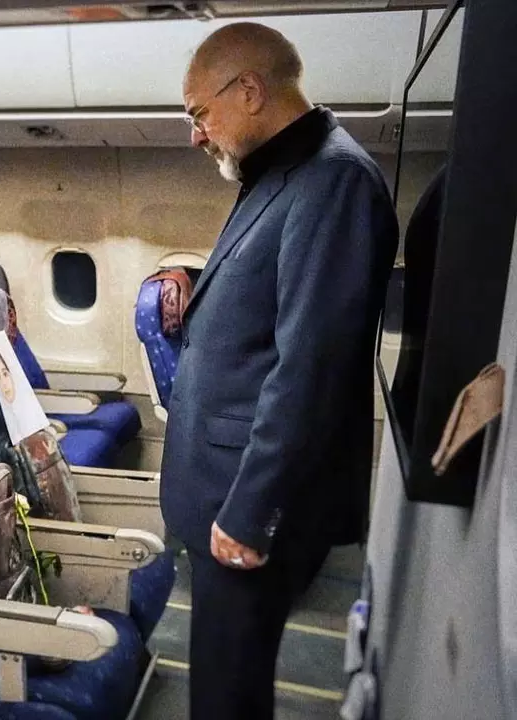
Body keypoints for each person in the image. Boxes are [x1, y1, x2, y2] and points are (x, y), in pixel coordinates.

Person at [161, 22, 398, 720]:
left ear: (250, 91)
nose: (196, 136)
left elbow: (311, 372)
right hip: (227, 491)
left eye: (200, 113)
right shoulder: (283, 170)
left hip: (250, 505)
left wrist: (249, 514)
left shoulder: (334, 181)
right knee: (222, 683)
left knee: (227, 696)